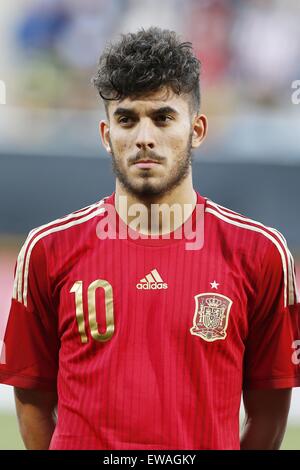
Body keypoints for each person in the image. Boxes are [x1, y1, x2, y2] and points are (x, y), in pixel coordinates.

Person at [0, 27, 299, 450]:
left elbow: (269, 412)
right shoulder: (47, 249)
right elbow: (31, 402)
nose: (144, 137)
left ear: (196, 130)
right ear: (107, 135)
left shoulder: (261, 252)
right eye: (126, 119)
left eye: (162, 117)